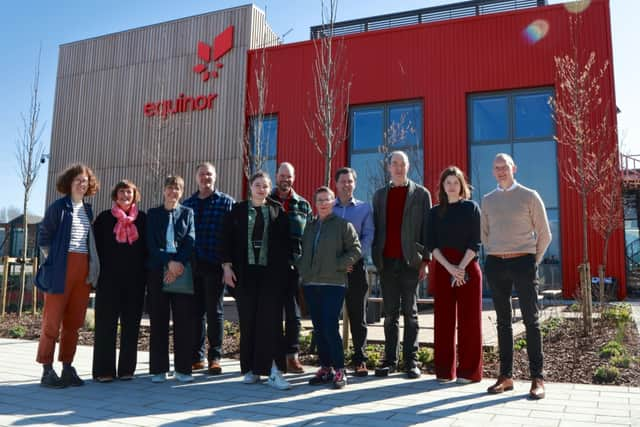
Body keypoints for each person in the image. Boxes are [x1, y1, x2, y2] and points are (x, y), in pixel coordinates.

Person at [482, 153, 551, 400]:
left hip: (523, 262)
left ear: (514, 168)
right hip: (496, 263)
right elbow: (485, 234)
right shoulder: (488, 200)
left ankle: (537, 378)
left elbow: (544, 233)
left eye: (505, 166)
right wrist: (497, 251)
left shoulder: (530, 196)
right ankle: (506, 376)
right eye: (496, 167)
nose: (501, 171)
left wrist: (533, 259)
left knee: (531, 321)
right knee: (502, 322)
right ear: (493, 171)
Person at [220, 171, 292, 390]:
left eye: (265, 186)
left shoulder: (277, 211)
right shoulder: (237, 211)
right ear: (250, 187)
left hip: (271, 276)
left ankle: (274, 370)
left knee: (270, 322)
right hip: (244, 275)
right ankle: (250, 369)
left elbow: (285, 246)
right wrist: (226, 267)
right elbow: (225, 241)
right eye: (258, 185)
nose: (261, 189)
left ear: (269, 189)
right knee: (249, 320)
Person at [35, 163, 100, 388]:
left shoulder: (88, 210)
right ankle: (46, 369)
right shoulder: (58, 207)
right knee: (51, 322)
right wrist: (54, 261)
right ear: (69, 183)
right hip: (60, 269)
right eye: (78, 180)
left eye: (85, 181)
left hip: (82, 271)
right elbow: (43, 238)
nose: (82, 184)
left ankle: (67, 367)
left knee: (73, 322)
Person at [371, 151, 431, 379]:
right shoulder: (379, 196)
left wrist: (425, 261)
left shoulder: (421, 194)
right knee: (390, 314)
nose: (398, 167)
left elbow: (427, 229)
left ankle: (411, 362)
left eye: (402, 164)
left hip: (410, 262)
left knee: (411, 313)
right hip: (387, 262)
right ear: (388, 167)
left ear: (408, 167)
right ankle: (389, 360)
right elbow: (376, 229)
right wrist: (375, 258)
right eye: (394, 164)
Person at [298, 186, 361, 389]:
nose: (324, 203)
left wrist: (340, 264)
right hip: (311, 284)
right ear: (315, 203)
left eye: (327, 199)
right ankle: (326, 367)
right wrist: (302, 268)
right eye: (320, 200)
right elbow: (304, 251)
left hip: (333, 284)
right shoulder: (310, 226)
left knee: (330, 327)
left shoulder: (343, 225)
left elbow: (356, 249)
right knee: (319, 328)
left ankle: (340, 370)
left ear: (334, 202)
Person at [427, 166, 482, 384]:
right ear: (442, 186)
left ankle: (469, 371)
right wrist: (451, 269)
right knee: (443, 321)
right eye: (447, 182)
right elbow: (431, 245)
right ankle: (443, 371)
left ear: (462, 185)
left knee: (470, 322)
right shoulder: (434, 212)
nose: (451, 186)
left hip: (468, 267)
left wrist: (460, 268)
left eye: (455, 182)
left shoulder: (471, 208)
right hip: (443, 269)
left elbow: (475, 242)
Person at [92, 180, 147, 382]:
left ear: (134, 196)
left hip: (135, 282)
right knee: (105, 325)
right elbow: (94, 251)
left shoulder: (142, 220)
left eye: (129, 193)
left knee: (131, 325)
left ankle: (126, 370)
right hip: (108, 281)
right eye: (122, 192)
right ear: (115, 196)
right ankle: (103, 370)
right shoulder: (104, 219)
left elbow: (147, 251)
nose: (125, 196)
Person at [182, 162, 234, 375]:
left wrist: (228, 265)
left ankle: (216, 357)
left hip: (215, 265)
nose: (205, 178)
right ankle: (197, 356)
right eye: (202, 175)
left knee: (215, 312)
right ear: (196, 178)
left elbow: (231, 236)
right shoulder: (187, 204)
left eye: (209, 174)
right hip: (193, 267)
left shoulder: (226, 202)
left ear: (215, 176)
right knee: (195, 313)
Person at [146, 175, 196, 383]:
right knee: (158, 320)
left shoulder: (188, 213)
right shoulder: (153, 214)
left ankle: (183, 370)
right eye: (170, 187)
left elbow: (191, 240)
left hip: (181, 273)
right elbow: (150, 244)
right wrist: (170, 263)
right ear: (164, 190)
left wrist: (178, 265)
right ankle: (159, 369)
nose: (173, 192)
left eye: (177, 188)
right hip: (158, 272)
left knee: (183, 322)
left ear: (181, 192)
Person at [270, 162, 312, 373]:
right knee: (274, 314)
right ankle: (275, 358)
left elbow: (310, 238)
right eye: (282, 175)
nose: (285, 179)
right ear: (276, 176)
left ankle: (292, 356)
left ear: (293, 178)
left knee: (294, 316)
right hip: (270, 269)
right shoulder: (265, 201)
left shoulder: (303, 205)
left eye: (289, 176)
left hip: (295, 269)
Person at [333, 167, 374, 377]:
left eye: (350, 181)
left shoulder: (364, 208)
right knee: (331, 315)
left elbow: (367, 238)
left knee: (358, 315)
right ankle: (333, 360)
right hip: (332, 270)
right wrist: (337, 262)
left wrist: (351, 260)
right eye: (343, 181)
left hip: (356, 268)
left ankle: (360, 359)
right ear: (336, 184)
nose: (347, 185)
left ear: (354, 184)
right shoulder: (328, 208)